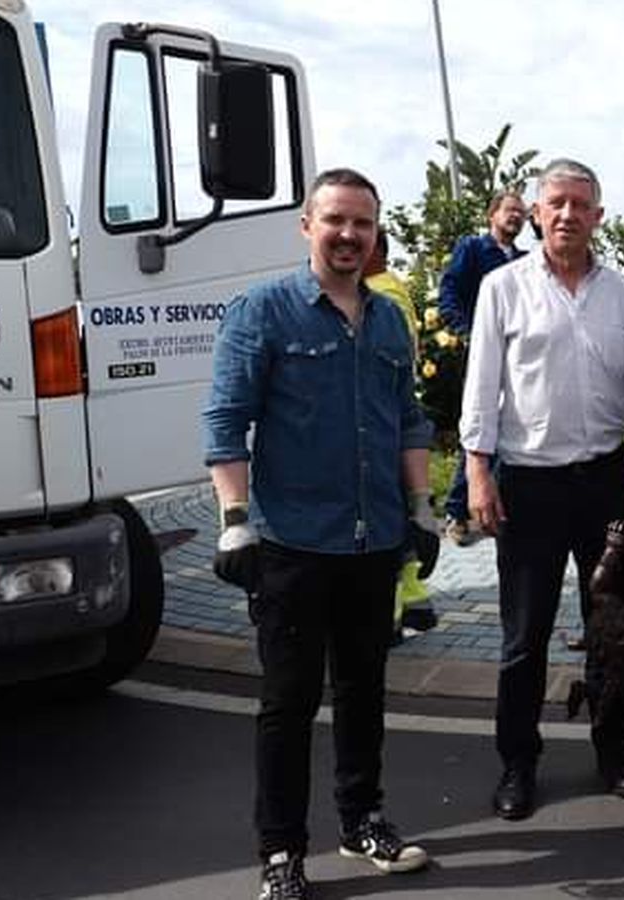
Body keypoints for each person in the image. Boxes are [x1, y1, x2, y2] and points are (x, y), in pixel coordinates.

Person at [203, 168, 438, 899]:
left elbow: (408, 421)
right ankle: (281, 853)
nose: (348, 235)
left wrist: (422, 511)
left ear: (374, 234)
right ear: (307, 225)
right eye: (335, 220)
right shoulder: (263, 311)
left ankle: (362, 818)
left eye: (362, 224)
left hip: (373, 545)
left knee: (363, 692)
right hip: (292, 546)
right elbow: (224, 420)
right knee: (289, 703)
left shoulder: (390, 320)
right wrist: (235, 524)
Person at [461, 158, 624, 821]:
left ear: (598, 215)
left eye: (581, 204)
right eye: (557, 202)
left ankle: (613, 750)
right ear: (537, 211)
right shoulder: (503, 288)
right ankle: (518, 763)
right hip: (529, 483)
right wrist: (476, 470)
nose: (568, 214)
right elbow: (482, 386)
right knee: (526, 634)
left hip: (605, 480)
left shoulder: (623, 294)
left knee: (614, 629)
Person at [439, 190, 529, 545]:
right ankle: (458, 512)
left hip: (516, 357)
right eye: (510, 211)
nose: (516, 217)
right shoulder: (473, 250)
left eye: (522, 213)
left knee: (512, 425)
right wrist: (465, 333)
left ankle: (494, 507)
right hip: (481, 351)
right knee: (479, 426)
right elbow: (449, 291)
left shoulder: (525, 260)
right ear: (492, 215)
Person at [364, 231, 438, 637]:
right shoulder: (393, 287)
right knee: (399, 515)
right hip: (397, 418)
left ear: (376, 251)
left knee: (385, 520)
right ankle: (413, 599)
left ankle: (389, 619)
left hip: (384, 422)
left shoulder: (379, 294)